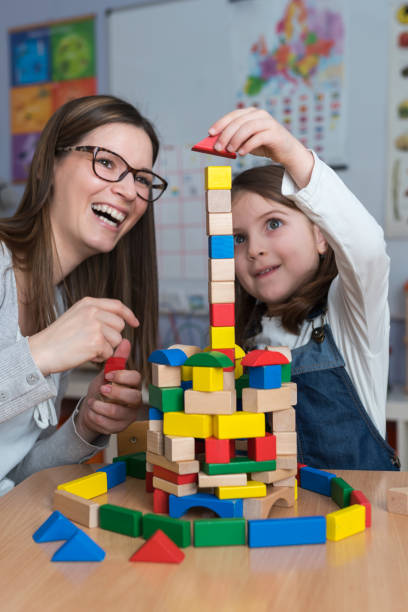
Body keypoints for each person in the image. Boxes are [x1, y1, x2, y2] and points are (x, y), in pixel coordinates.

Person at [208, 107, 399, 470]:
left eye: (274, 223)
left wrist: (291, 154)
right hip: (268, 520)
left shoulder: (350, 317)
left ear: (320, 235)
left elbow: (368, 249)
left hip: (352, 522)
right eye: (238, 238)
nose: (254, 249)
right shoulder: (239, 344)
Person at [0, 95, 168, 494]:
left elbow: (17, 478)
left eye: (142, 178)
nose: (128, 190)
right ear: (51, 166)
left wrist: (85, 425)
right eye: (107, 162)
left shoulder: (58, 304)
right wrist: (40, 354)